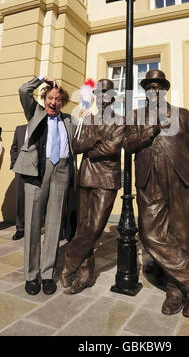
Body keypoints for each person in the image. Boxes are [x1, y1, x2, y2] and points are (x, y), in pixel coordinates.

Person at [123, 69, 189, 318]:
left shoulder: (181, 115)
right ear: (145, 91)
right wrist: (149, 131)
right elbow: (128, 146)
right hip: (150, 181)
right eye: (149, 87)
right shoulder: (136, 116)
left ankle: (175, 290)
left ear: (165, 89)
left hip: (181, 180)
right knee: (150, 233)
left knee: (182, 236)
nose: (154, 91)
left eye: (158, 86)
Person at [13, 76, 76, 296]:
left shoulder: (69, 120)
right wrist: (43, 79)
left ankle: (48, 273)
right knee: (32, 225)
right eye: (49, 98)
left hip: (62, 170)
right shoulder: (34, 113)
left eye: (58, 99)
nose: (53, 102)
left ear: (62, 102)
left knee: (54, 224)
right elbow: (23, 89)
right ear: (44, 99)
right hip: (37, 172)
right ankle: (31, 276)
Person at [60, 79, 124, 294]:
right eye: (100, 93)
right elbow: (77, 146)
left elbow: (113, 148)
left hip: (107, 179)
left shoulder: (121, 121)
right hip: (86, 177)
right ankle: (85, 273)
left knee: (96, 228)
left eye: (107, 94)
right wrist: (95, 138)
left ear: (113, 98)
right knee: (83, 227)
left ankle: (70, 261)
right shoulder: (88, 119)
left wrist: (93, 149)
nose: (103, 97)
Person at [10, 124, 27, 240]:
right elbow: (14, 148)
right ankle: (20, 228)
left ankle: (37, 226)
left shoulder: (42, 127)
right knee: (20, 199)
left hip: (37, 171)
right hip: (20, 170)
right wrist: (15, 163)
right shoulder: (20, 129)